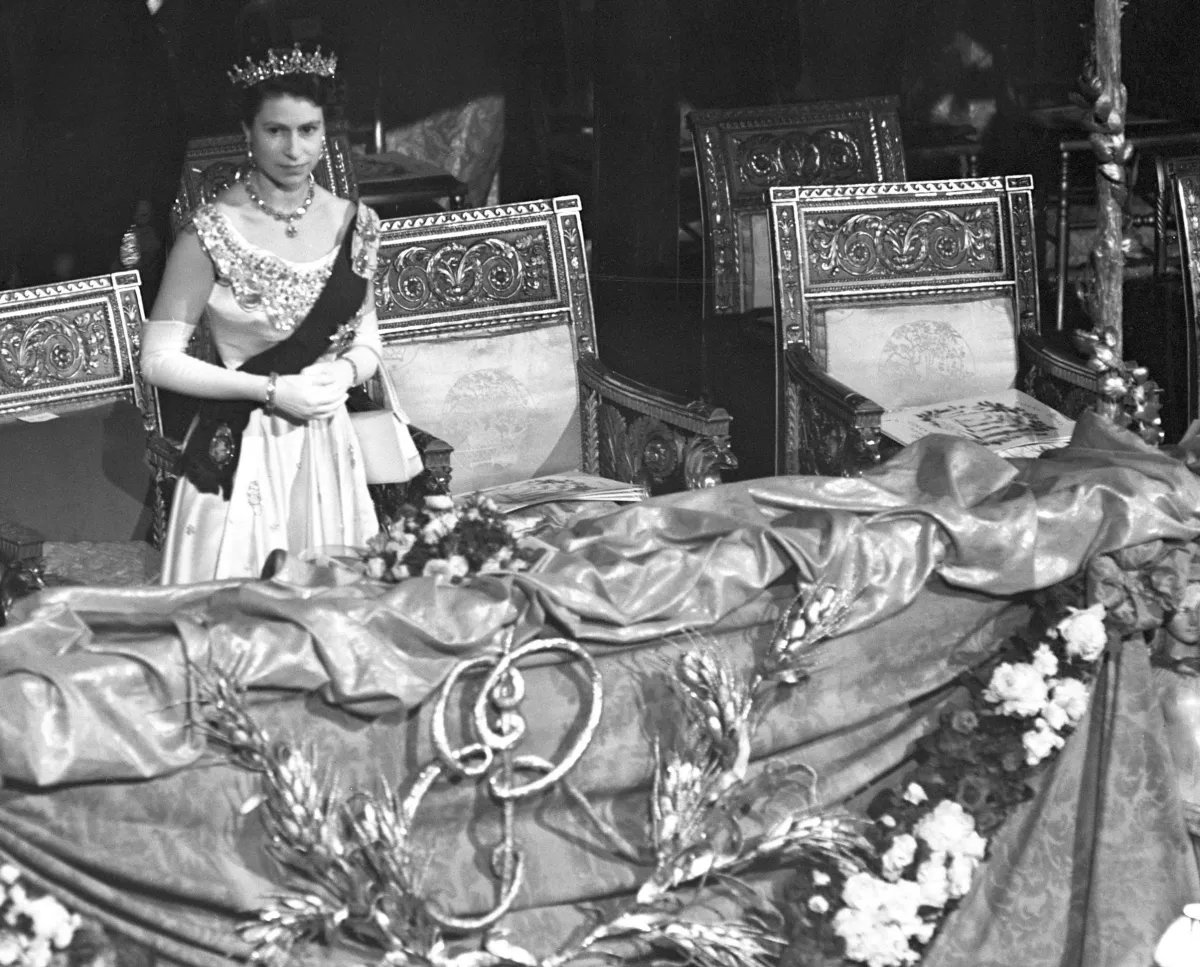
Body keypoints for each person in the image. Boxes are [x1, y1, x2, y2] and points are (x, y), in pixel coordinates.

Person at [141, 44, 383, 583]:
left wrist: (344, 372)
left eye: (308, 130)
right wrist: (271, 390)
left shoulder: (357, 224)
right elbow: (157, 361)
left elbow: (369, 340)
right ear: (247, 132)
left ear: (325, 132)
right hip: (242, 443)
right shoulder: (209, 232)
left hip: (327, 442)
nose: (295, 150)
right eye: (276, 131)